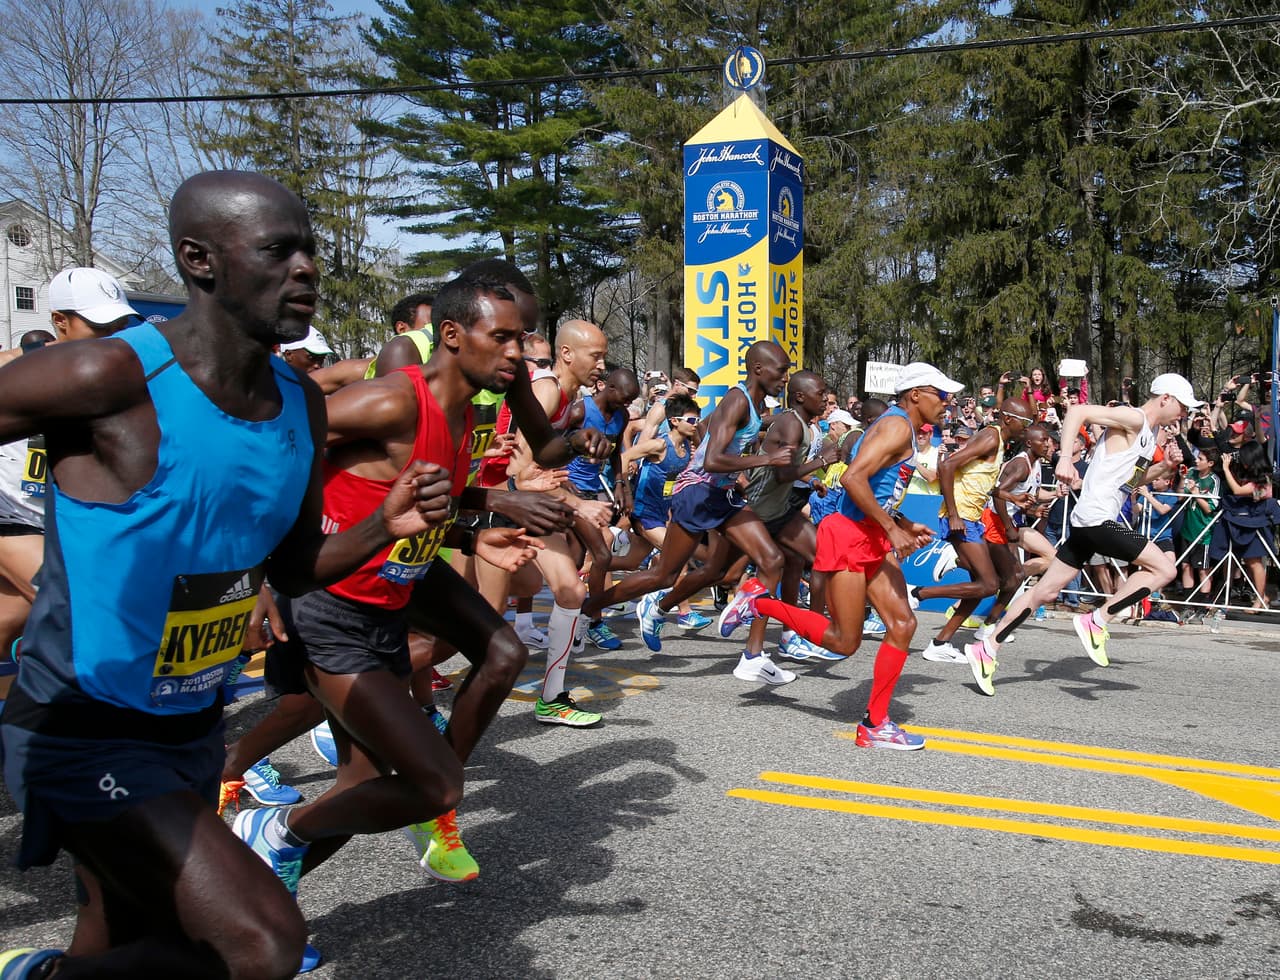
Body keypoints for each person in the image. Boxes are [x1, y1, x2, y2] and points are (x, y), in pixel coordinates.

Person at [0, 171, 450, 978]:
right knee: (259, 943)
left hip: (190, 726)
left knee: (144, 950)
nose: (307, 268)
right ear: (199, 261)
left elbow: (294, 566)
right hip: (81, 725)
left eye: (309, 250)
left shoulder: (299, 403)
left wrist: (385, 527)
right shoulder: (111, 376)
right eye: (279, 251)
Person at [233, 259, 547, 919]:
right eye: (507, 338)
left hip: (396, 585)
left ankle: (266, 897)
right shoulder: (395, 399)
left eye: (526, 339)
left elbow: (424, 495)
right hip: (331, 602)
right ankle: (385, 807)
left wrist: (483, 521)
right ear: (455, 335)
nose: (521, 353)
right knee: (426, 783)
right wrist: (265, 576)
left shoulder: (468, 417)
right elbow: (275, 452)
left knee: (366, 784)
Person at [714, 362, 962, 749]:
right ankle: (761, 602)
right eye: (941, 395)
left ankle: (875, 725)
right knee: (844, 642)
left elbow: (874, 489)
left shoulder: (902, 428)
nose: (948, 403)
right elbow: (851, 479)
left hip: (871, 533)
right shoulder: (896, 426)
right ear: (916, 394)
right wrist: (894, 529)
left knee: (902, 625)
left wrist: (903, 522)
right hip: (850, 536)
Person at [965, 374, 1202, 694]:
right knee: (1165, 569)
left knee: (1044, 593)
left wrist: (1165, 468)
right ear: (1166, 399)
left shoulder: (1151, 433)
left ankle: (988, 646)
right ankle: (1098, 619)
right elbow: (1078, 413)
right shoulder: (1134, 417)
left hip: (1090, 520)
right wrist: (1064, 457)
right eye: (1183, 407)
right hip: (1096, 519)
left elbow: (1130, 483)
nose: (1184, 414)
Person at [580, 341, 796, 685]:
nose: (786, 377)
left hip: (722, 494)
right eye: (781, 370)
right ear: (758, 370)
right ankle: (588, 611)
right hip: (696, 494)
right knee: (663, 576)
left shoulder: (752, 403)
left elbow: (708, 428)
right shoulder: (738, 399)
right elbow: (712, 461)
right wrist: (766, 459)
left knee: (769, 560)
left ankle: (753, 657)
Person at [908, 398, 1034, 664]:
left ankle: (940, 643)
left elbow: (982, 484)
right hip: (961, 517)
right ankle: (917, 593)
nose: (1028, 427)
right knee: (989, 584)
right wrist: (953, 514)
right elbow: (946, 466)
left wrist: (1013, 499)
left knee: (980, 586)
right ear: (1009, 419)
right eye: (1026, 421)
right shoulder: (990, 436)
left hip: (971, 517)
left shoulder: (999, 443)